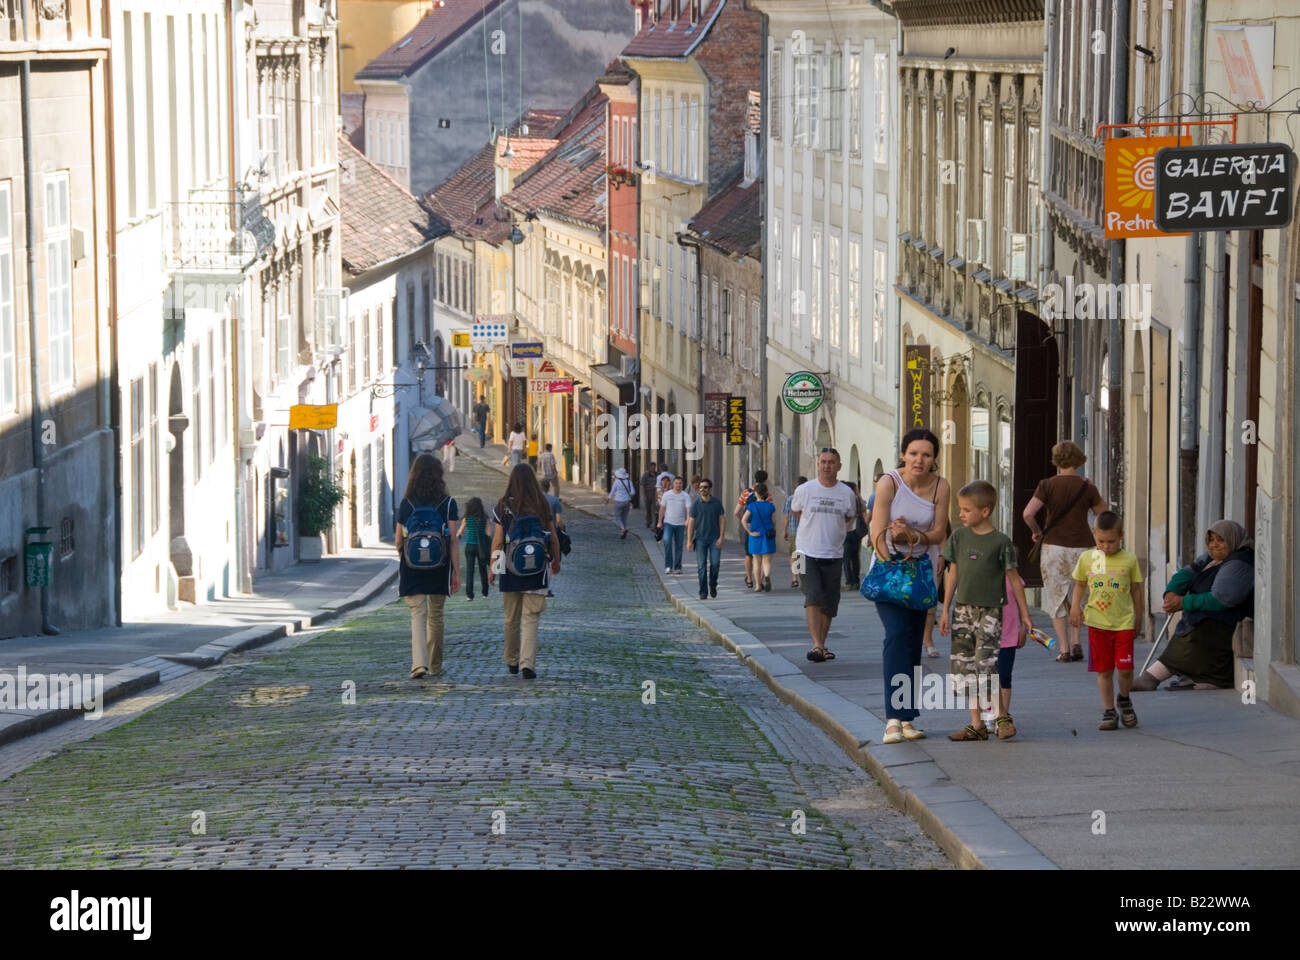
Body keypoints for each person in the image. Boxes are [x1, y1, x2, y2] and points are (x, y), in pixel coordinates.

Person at [869, 430, 951, 744]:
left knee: (914, 643)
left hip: (923, 573)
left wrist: (912, 535)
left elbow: (939, 531)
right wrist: (894, 558)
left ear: (934, 459)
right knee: (896, 636)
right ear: (904, 454)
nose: (919, 460)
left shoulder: (940, 486)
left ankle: (907, 718)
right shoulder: (889, 482)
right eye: (914, 453)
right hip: (891, 572)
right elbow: (879, 534)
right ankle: (892, 718)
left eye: (927, 455)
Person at [939, 480, 1029, 742]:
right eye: (960, 509)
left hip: (990, 611)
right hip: (962, 611)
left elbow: (1013, 579)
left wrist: (1025, 615)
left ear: (985, 511)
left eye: (966, 510)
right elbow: (952, 574)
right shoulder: (958, 537)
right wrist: (945, 609)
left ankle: (1001, 716)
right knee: (964, 666)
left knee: (986, 664)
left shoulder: (1001, 542)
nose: (961, 514)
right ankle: (976, 723)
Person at [1131, 520, 1253, 692]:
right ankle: (1201, 680)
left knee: (1193, 636)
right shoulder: (1212, 558)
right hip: (1211, 621)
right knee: (1192, 629)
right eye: (1211, 540)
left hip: (1225, 625)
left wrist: (1183, 602)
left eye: (1221, 540)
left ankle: (1151, 677)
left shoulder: (1240, 562)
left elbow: (1221, 599)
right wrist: (1171, 592)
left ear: (1232, 539)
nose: (1214, 545)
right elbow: (1186, 573)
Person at [1023, 440, 1109, 663]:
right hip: (1084, 547)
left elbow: (1028, 514)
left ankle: (1065, 649)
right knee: (1079, 595)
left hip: (1055, 548)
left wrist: (1037, 531)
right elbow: (1104, 512)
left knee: (1057, 596)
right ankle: (1077, 642)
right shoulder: (1086, 486)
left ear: (1057, 461)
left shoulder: (1047, 485)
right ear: (1079, 460)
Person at [1069, 511, 1144, 729]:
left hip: (1124, 623)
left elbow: (1137, 591)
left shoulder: (1129, 560)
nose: (1105, 546)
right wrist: (1076, 606)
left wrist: (1138, 617)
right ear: (1094, 535)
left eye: (1111, 541)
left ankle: (1124, 698)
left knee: (1125, 668)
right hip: (1097, 623)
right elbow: (1080, 584)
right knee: (1104, 670)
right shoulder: (1087, 558)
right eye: (1100, 540)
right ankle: (1109, 710)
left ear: (1120, 536)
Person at [488, 464, 562, 679]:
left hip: (510, 570)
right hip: (537, 569)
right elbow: (554, 537)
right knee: (531, 618)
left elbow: (498, 541)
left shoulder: (503, 506)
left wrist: (494, 568)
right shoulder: (542, 504)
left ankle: (511, 660)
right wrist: (556, 561)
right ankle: (527, 664)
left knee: (511, 618)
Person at [395, 453, 461, 679]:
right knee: (436, 616)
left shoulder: (406, 503)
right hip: (439, 567)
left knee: (417, 614)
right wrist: (456, 573)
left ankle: (418, 664)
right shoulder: (448, 503)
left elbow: (398, 540)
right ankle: (435, 665)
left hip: (412, 568)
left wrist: (406, 558)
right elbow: (453, 539)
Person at [791, 451, 858, 663]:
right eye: (823, 462)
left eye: (831, 462)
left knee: (830, 601)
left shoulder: (846, 493)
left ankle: (821, 644)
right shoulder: (804, 490)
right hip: (803, 552)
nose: (827, 466)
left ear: (839, 466)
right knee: (812, 595)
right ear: (818, 464)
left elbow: (849, 518)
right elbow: (796, 512)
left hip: (834, 553)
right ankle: (817, 644)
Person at [993, 570, 1029, 739]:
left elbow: (1022, 606)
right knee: (987, 677)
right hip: (986, 638)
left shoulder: (1014, 579)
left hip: (1008, 636)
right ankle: (992, 714)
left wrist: (1023, 629)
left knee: (1004, 676)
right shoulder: (982, 577)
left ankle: (1004, 715)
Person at [687, 477, 726, 599]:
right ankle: (703, 591)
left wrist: (721, 537)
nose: (702, 489)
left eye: (705, 487)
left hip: (714, 538)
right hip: (700, 539)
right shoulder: (696, 504)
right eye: (700, 488)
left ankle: (713, 584)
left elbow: (722, 519)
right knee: (701, 567)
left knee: (715, 564)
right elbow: (691, 522)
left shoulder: (717, 503)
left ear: (710, 489)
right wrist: (689, 540)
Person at [735, 469, 769, 588]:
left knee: (749, 555)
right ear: (765, 480)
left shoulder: (746, 492)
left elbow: (736, 511)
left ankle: (749, 579)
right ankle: (760, 580)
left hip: (750, 528)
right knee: (763, 555)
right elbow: (770, 511)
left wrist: (745, 522)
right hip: (763, 529)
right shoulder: (767, 494)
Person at [742, 482, 777, 591]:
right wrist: (773, 531)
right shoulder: (771, 506)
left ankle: (757, 585)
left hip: (755, 535)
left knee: (756, 561)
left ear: (756, 493)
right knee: (767, 561)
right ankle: (766, 576)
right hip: (768, 535)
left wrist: (749, 532)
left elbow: (744, 520)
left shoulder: (752, 506)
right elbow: (774, 522)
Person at [457, 496, 491, 602]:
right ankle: (485, 593)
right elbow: (488, 534)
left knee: (469, 571)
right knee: (483, 570)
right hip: (481, 547)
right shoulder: (485, 518)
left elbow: (459, 532)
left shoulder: (467, 518)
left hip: (470, 546)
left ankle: (469, 595)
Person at [657, 476, 691, 575]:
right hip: (668, 523)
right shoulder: (667, 495)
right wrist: (659, 521)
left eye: (680, 483)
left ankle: (677, 567)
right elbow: (662, 508)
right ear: (673, 484)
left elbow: (689, 508)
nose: (678, 485)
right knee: (667, 543)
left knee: (679, 546)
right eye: (676, 483)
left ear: (682, 484)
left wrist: (688, 519)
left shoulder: (685, 496)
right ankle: (668, 566)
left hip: (680, 524)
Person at [540, 478, 564, 597]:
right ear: (549, 488)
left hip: (537, 533)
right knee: (550, 561)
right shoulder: (555, 501)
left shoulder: (534, 500)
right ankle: (545, 587)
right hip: (550, 534)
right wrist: (562, 529)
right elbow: (558, 520)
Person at [842, 481, 869, 589]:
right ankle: (856, 580)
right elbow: (863, 509)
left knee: (846, 558)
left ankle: (849, 581)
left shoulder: (844, 498)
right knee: (855, 556)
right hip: (857, 531)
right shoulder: (857, 499)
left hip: (846, 531)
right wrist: (858, 495)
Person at [782, 475, 807, 588]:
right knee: (802, 555)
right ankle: (802, 579)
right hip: (806, 532)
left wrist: (784, 530)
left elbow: (786, 516)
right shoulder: (808, 498)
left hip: (793, 530)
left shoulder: (791, 499)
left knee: (794, 555)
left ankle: (794, 579)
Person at [605, 466, 635, 539]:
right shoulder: (629, 481)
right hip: (626, 502)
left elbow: (612, 492)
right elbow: (633, 492)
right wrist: (630, 497)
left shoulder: (616, 482)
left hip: (618, 501)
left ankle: (623, 529)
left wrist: (608, 500)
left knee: (618, 517)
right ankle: (622, 532)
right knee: (624, 518)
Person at [640, 461, 659, 528]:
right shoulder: (646, 474)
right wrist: (644, 495)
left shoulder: (657, 474)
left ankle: (655, 524)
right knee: (648, 509)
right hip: (648, 493)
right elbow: (642, 485)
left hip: (655, 493)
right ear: (649, 468)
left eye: (654, 467)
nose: (653, 469)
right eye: (652, 467)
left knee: (655, 509)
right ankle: (648, 521)